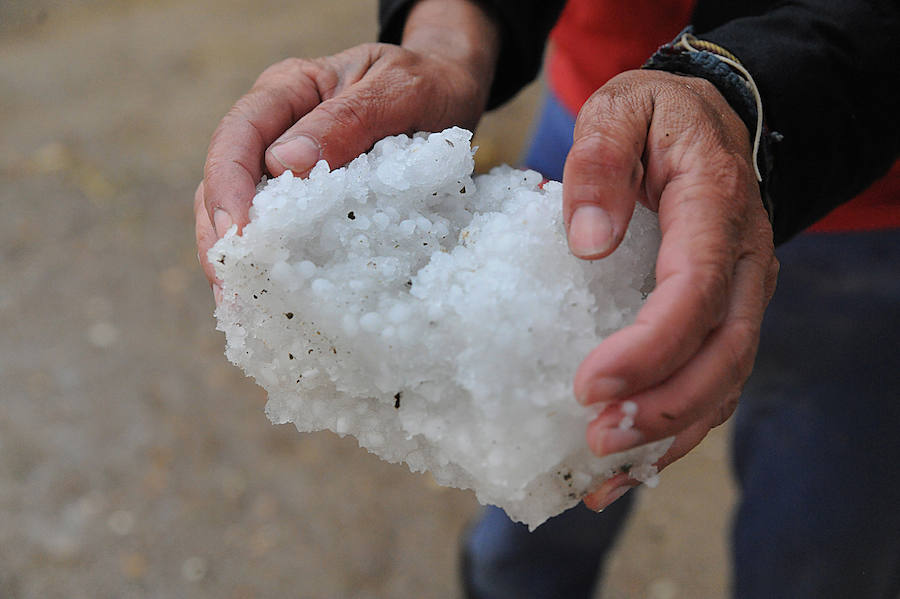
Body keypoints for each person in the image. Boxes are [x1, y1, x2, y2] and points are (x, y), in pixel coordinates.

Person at [195, 0, 899, 596]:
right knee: (542, 483)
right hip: (597, 129)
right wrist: (446, 29)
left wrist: (750, 91)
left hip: (868, 199)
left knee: (820, 550)